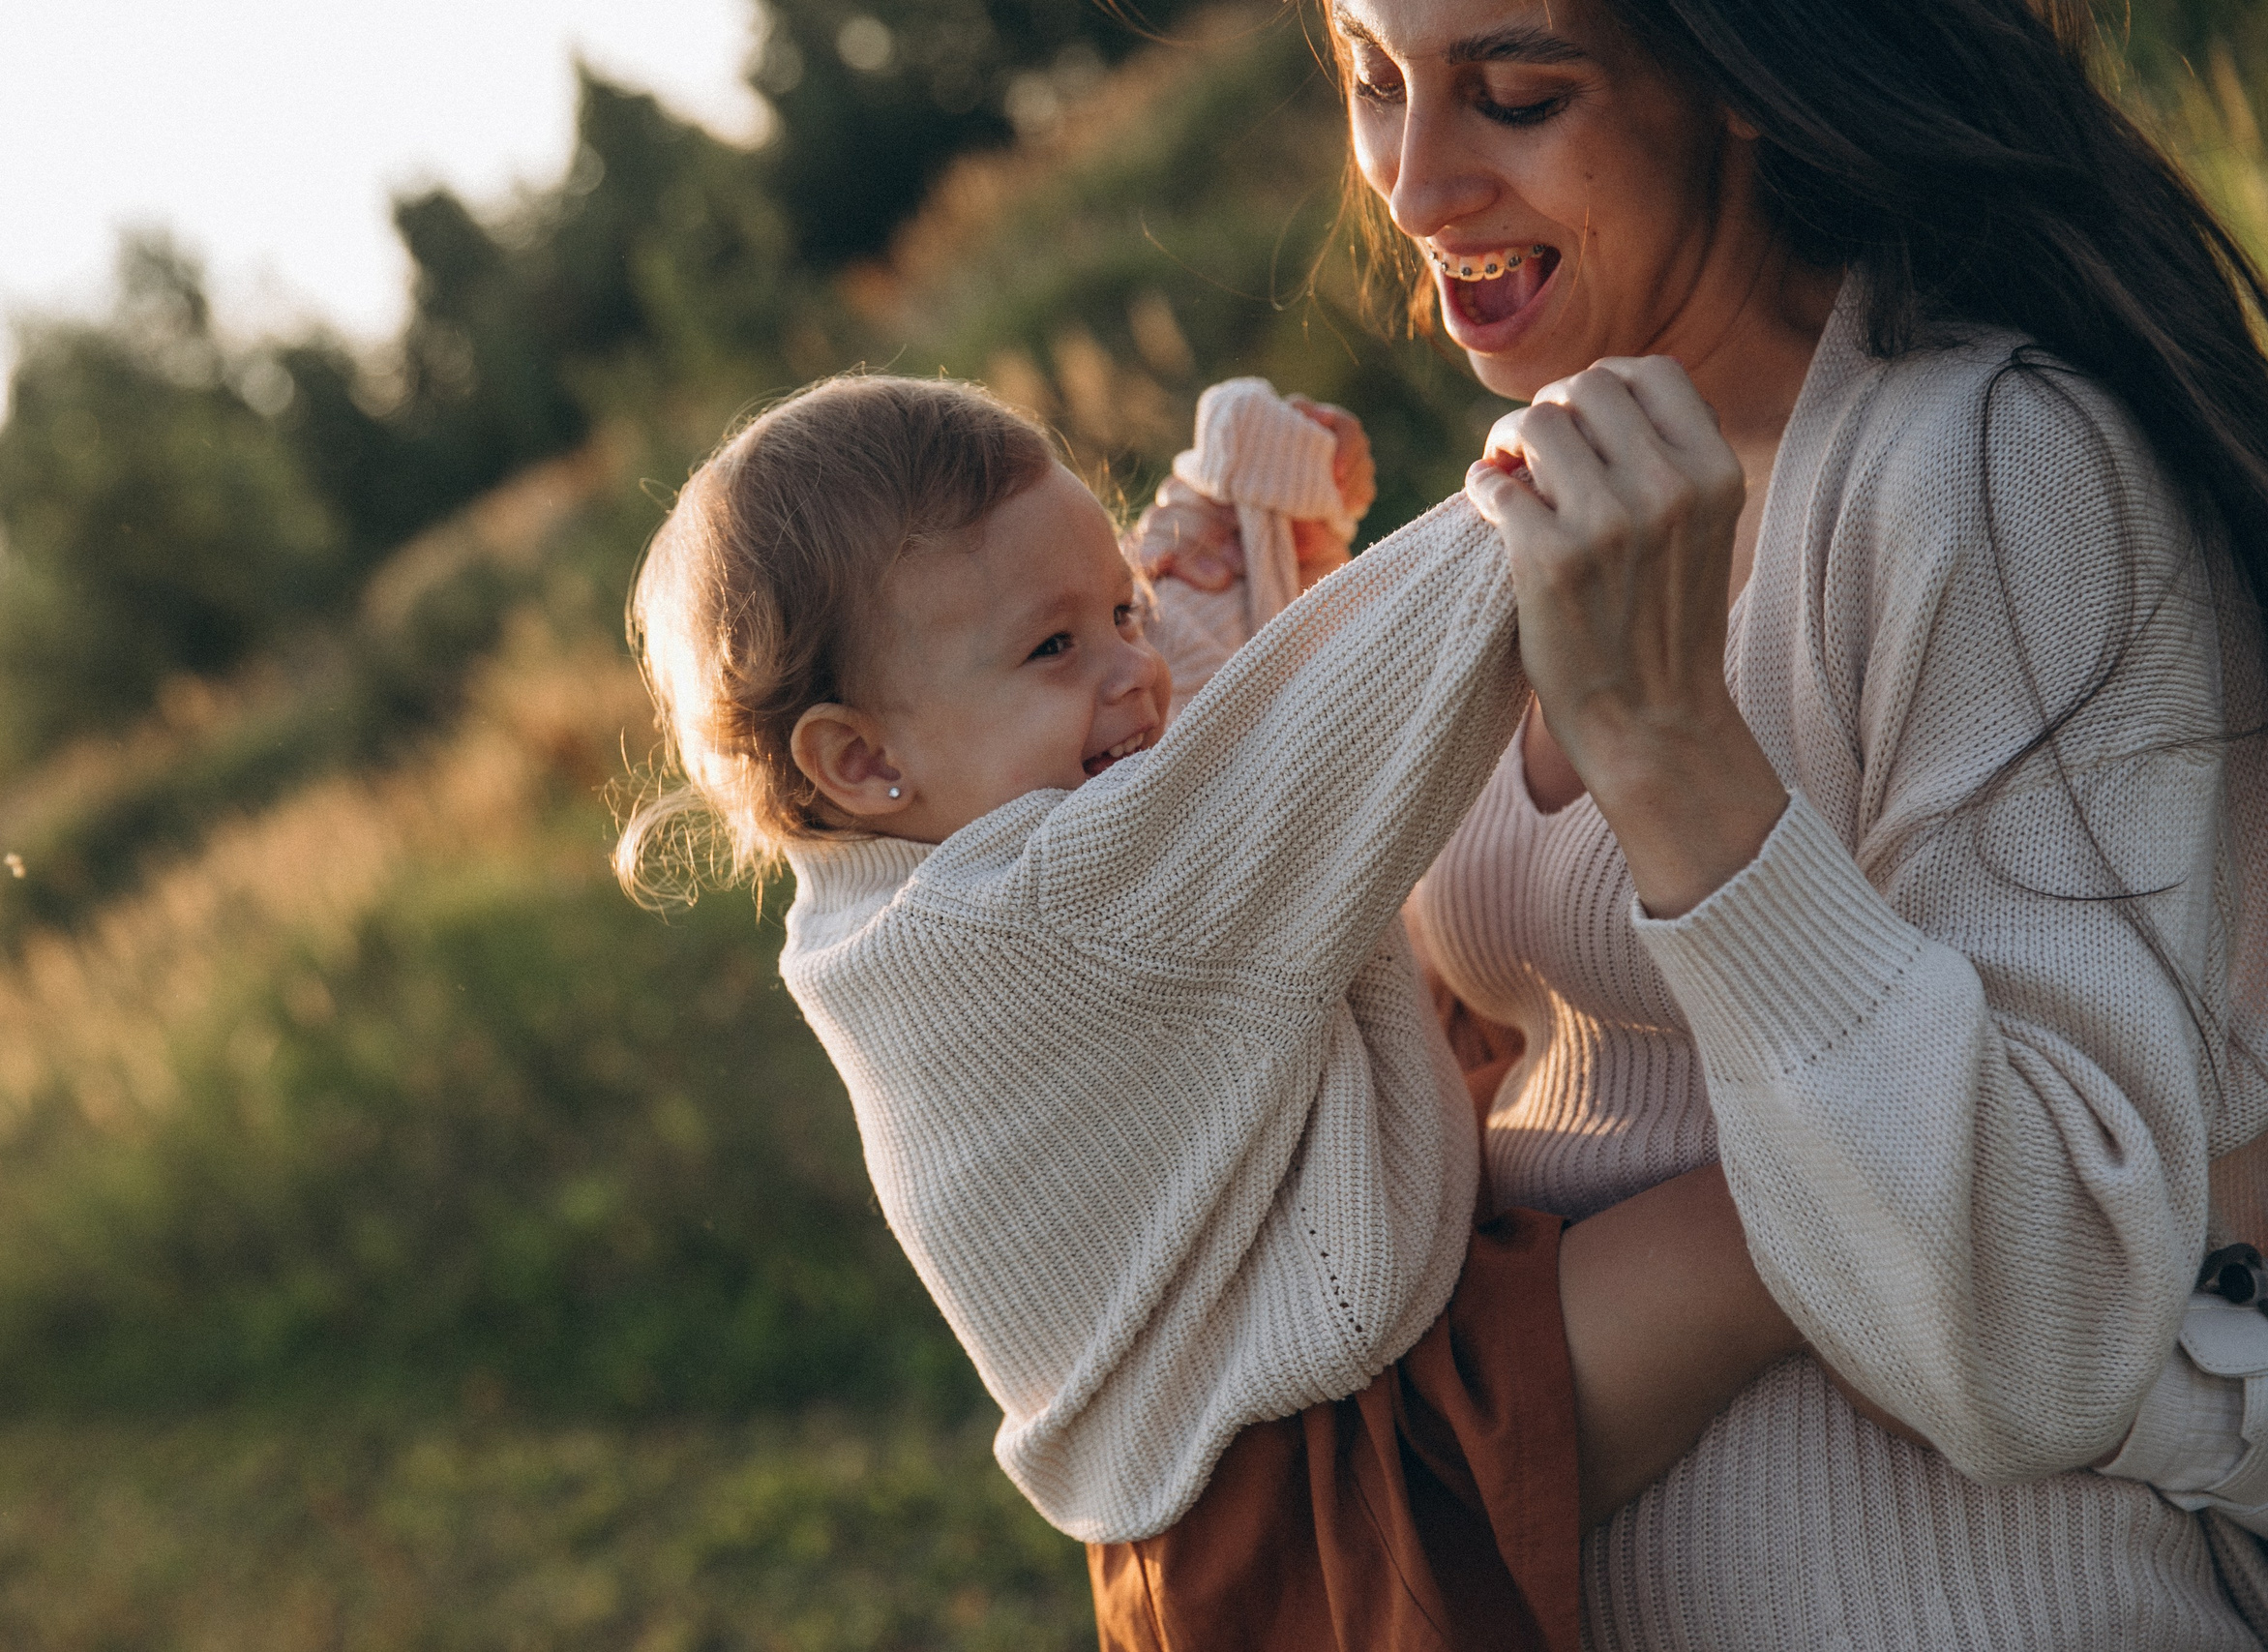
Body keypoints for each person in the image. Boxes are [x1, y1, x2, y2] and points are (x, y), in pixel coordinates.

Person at [1130, 0, 2268, 1643]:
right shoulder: (1548, 484)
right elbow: (1530, 1091)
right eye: (1379, 85)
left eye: (1516, 95)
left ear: (1734, 78)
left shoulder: (1990, 472)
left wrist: (1675, 756)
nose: (1415, 182)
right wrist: (1245, 705)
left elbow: (2048, 1323)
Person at [619, 370, 1831, 1649]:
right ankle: (2040, 1242)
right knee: (1796, 1190)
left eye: (1122, 611)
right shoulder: (1041, 911)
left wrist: (1226, 508)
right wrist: (1554, 491)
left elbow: (1190, 737)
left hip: (1223, 1490)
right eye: (1056, 645)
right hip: (1333, 1470)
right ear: (860, 760)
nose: (1131, 670)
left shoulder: (901, 885)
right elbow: (1306, 739)